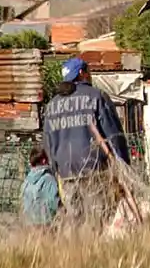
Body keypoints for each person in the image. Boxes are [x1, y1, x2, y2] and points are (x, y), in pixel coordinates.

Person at [42, 57, 131, 224]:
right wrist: (123, 165)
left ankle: (78, 249)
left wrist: (56, 170)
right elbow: (113, 134)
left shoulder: (52, 105)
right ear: (82, 73)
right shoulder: (96, 96)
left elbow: (48, 143)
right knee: (100, 219)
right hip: (95, 170)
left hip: (66, 174)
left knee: (76, 221)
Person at [20, 146, 62, 226]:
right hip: (46, 223)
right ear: (44, 160)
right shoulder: (48, 178)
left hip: (29, 223)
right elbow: (54, 202)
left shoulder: (27, 180)